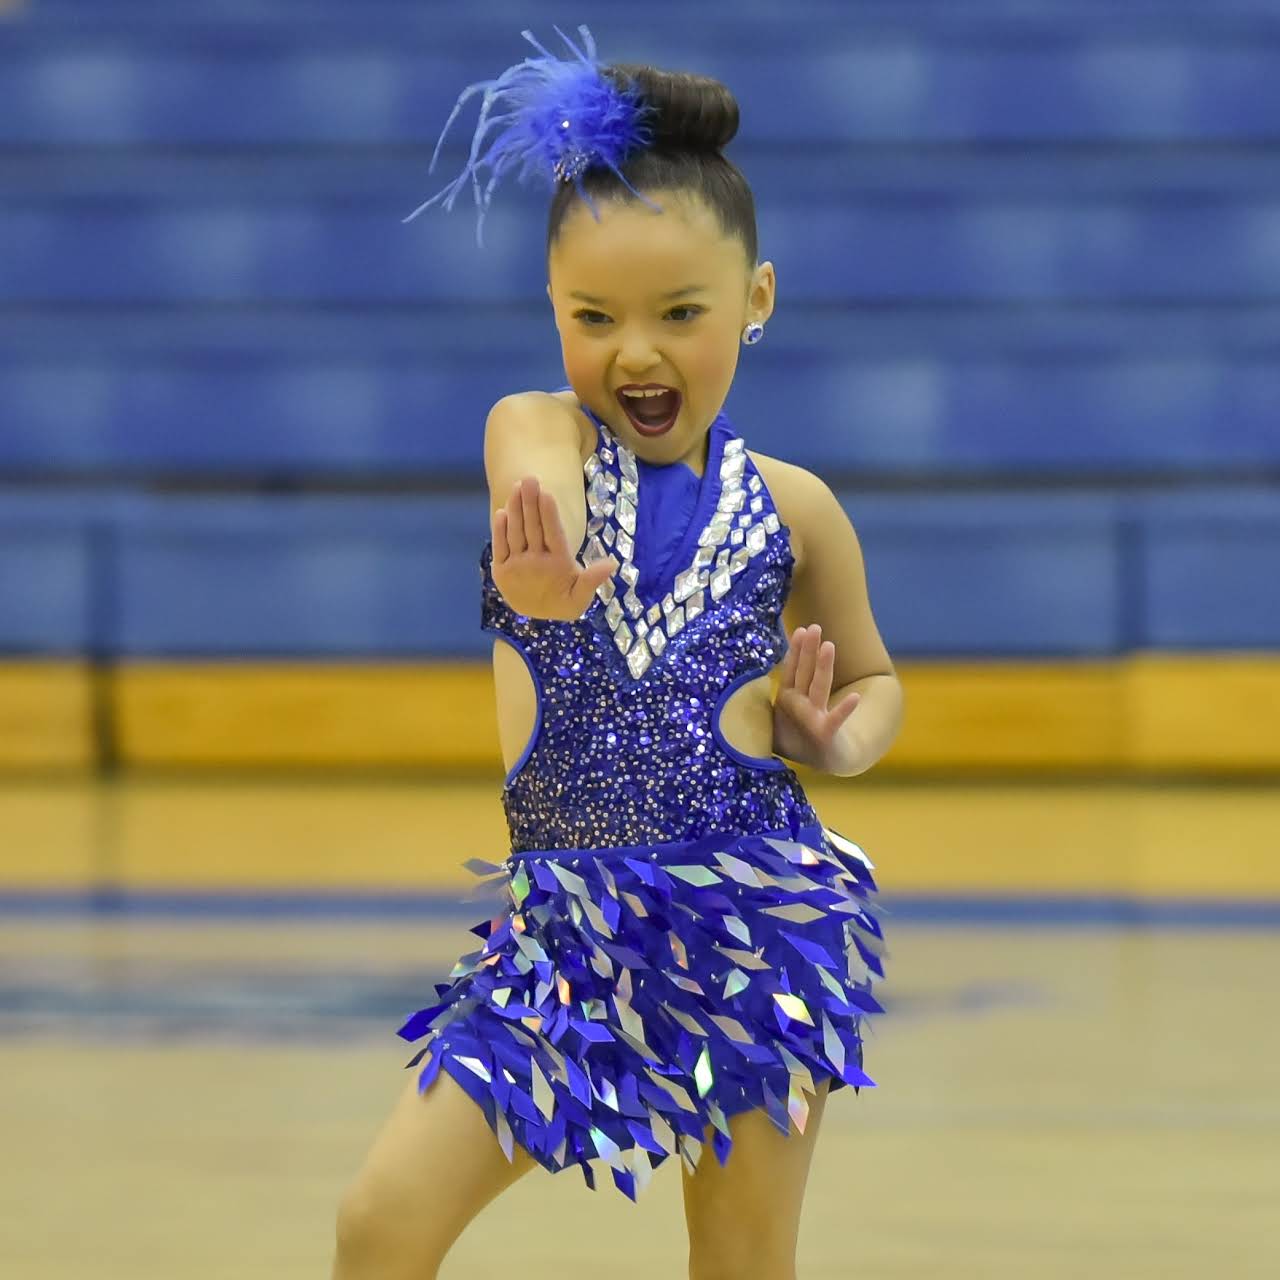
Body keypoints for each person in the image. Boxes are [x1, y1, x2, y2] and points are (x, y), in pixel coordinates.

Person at [332, 25, 904, 1280]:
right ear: (552, 308)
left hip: (758, 924)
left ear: (754, 299)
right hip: (562, 939)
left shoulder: (795, 506)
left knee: (743, 1261)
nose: (632, 352)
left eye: (677, 313)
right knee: (382, 1220)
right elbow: (526, 466)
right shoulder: (535, 433)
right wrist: (535, 562)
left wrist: (839, 735)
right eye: (593, 315)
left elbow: (870, 678)